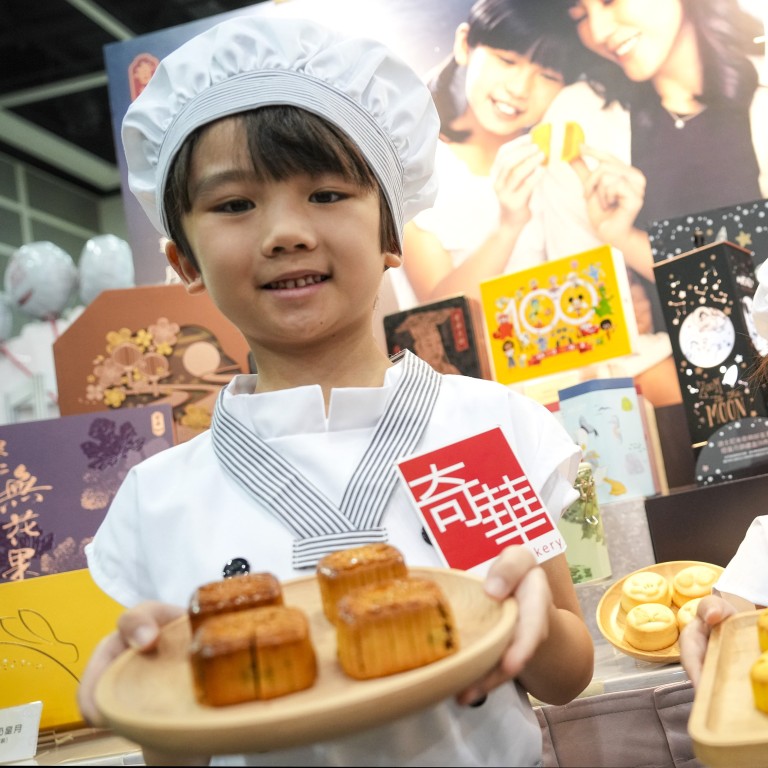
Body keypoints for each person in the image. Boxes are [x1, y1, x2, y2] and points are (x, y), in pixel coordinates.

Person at [75, 14, 594, 767]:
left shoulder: (478, 431)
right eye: (233, 205)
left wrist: (531, 618)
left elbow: (567, 677)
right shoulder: (159, 501)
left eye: (325, 194)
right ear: (182, 260)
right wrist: (147, 709)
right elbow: (178, 749)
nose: (285, 232)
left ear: (392, 234)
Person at [522, 0, 767, 405]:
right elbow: (594, 338)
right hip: (679, 418)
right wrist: (617, 236)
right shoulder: (580, 120)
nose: (599, 30)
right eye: (580, 16)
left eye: (609, 1)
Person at [388, 0, 590, 310]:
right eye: (507, 60)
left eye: (548, 76)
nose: (520, 89)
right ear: (464, 45)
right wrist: (508, 226)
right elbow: (439, 314)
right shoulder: (413, 166)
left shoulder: (557, 164)